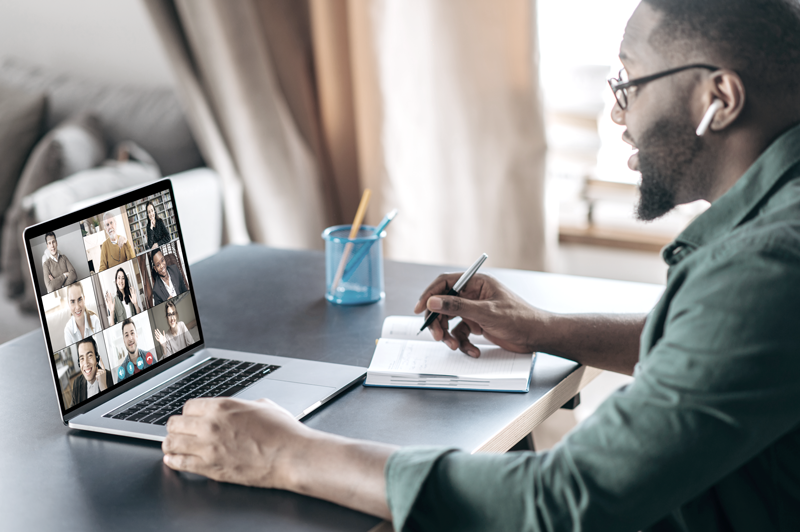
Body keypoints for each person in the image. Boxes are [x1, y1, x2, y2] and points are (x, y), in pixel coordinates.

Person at [161, 1, 800, 530]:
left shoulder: (767, 267)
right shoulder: (775, 232)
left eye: (629, 83)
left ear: (721, 97)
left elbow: (563, 501)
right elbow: (717, 343)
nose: (617, 113)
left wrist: (287, 453)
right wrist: (546, 329)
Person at [69, 336, 112, 408]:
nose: (86, 363)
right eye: (82, 358)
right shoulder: (77, 383)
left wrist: (104, 388)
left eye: (89, 356)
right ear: (79, 363)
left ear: (97, 358)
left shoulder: (110, 376)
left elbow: (114, 407)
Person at [63, 282, 102, 347]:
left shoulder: (95, 320)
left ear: (84, 299)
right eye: (72, 302)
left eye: (79, 299)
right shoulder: (68, 331)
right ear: (68, 304)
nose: (77, 307)